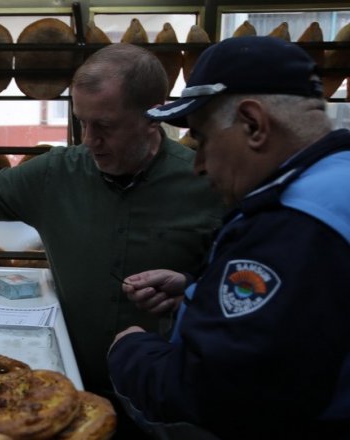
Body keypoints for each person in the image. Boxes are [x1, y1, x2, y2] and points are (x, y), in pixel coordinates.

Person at [0, 43, 225, 421]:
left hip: (166, 399)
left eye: (104, 126)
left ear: (152, 117)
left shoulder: (209, 183)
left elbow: (238, 290)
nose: (89, 140)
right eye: (82, 122)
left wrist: (190, 288)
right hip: (69, 384)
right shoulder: (56, 174)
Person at [109, 36, 350, 438]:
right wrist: (196, 291)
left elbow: (218, 392)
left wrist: (131, 352)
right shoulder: (333, 182)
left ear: (253, 124)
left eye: (201, 140)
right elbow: (298, 317)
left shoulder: (296, 222)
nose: (198, 166)